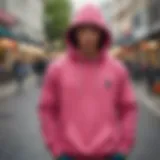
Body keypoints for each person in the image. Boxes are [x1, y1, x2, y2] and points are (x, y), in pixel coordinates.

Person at [39, 4, 137, 160]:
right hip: (69, 154)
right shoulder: (57, 69)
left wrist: (123, 147)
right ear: (75, 33)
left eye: (93, 30)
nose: (88, 36)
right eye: (82, 30)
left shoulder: (117, 70)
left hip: (109, 154)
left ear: (101, 33)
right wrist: (56, 149)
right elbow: (47, 109)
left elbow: (128, 109)